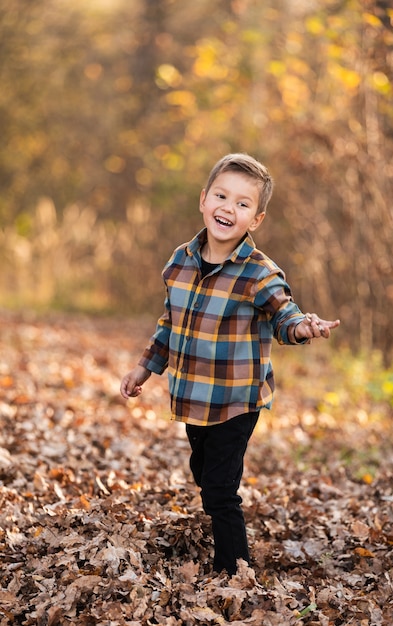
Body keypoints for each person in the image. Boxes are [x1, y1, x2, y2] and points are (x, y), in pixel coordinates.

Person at [120, 153, 340, 576]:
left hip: (238, 400)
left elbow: (284, 316)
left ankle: (235, 569)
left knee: (220, 489)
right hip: (193, 396)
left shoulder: (259, 273)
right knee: (203, 472)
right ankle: (224, 531)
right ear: (204, 200)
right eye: (221, 195)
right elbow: (170, 323)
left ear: (255, 219)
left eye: (243, 203)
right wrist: (144, 368)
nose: (228, 207)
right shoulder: (179, 262)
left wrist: (304, 327)